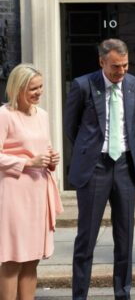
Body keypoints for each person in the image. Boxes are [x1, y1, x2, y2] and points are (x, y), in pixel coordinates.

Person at [64, 38, 135, 300]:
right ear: (101, 62)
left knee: (125, 239)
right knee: (86, 239)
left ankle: (123, 294)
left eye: (124, 65)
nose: (121, 72)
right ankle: (80, 296)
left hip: (124, 165)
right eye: (115, 67)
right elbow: (71, 128)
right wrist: (89, 153)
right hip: (94, 168)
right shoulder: (83, 85)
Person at [0, 63, 63, 300]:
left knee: (31, 259)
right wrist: (28, 162)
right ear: (17, 89)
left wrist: (51, 159)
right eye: (33, 89)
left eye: (40, 87)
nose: (39, 92)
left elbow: (41, 150)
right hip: (14, 194)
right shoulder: (4, 115)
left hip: (38, 193)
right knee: (12, 259)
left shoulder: (43, 115)